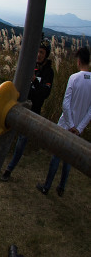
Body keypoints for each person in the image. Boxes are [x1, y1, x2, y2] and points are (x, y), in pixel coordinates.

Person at [36, 46, 91, 197]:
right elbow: (90, 111)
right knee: (69, 158)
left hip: (66, 125)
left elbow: (65, 104)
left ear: (79, 61)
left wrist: (70, 124)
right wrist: (79, 128)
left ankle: (47, 187)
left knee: (57, 156)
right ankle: (61, 187)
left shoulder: (74, 78)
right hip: (78, 129)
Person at [0, 42, 54, 181]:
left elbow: (44, 93)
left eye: (42, 52)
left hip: (32, 112)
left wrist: (35, 81)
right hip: (17, 106)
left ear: (46, 54)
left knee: (20, 144)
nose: (39, 55)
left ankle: (8, 170)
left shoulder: (48, 72)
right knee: (6, 135)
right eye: (38, 51)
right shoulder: (30, 66)